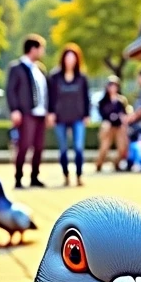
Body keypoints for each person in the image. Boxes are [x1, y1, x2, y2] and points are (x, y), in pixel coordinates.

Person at [5, 34, 49, 188]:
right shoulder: (16, 68)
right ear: (33, 49)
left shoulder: (40, 69)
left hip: (41, 113)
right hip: (26, 112)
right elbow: (11, 90)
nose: (42, 52)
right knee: (23, 145)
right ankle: (18, 177)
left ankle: (34, 176)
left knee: (38, 146)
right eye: (41, 48)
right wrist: (15, 109)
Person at [47, 43, 91, 186]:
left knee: (78, 147)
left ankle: (79, 175)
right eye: (68, 57)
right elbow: (51, 96)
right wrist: (51, 113)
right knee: (63, 149)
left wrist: (87, 114)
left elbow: (86, 97)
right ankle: (66, 175)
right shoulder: (55, 77)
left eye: (73, 57)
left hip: (78, 116)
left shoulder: (82, 78)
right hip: (60, 117)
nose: (70, 60)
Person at [95, 76, 130, 171]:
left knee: (122, 147)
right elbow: (102, 114)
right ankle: (99, 164)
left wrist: (124, 120)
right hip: (108, 126)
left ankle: (117, 163)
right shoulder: (103, 102)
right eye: (111, 85)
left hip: (119, 127)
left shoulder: (121, 101)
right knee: (104, 147)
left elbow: (125, 114)